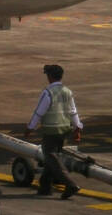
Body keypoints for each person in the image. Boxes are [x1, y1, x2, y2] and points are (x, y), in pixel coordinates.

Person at [25, 64, 81, 199]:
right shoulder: (67, 91)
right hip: (64, 130)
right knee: (53, 157)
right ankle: (45, 186)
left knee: (51, 157)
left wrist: (30, 128)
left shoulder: (48, 92)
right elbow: (73, 112)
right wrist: (77, 128)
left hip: (51, 130)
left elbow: (39, 112)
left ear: (50, 77)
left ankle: (70, 184)